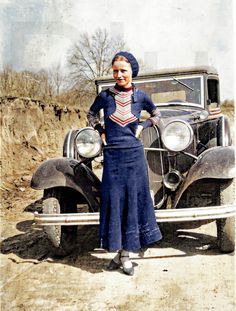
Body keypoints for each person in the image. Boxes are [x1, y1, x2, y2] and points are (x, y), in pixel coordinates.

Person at [87, 51, 162, 276]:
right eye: (116, 71)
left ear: (132, 73)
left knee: (132, 202)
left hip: (134, 157)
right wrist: (100, 131)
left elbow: (157, 115)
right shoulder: (105, 96)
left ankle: (126, 254)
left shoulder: (141, 96)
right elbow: (90, 114)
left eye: (124, 71)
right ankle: (120, 252)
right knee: (114, 202)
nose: (119, 75)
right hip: (112, 157)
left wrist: (143, 126)